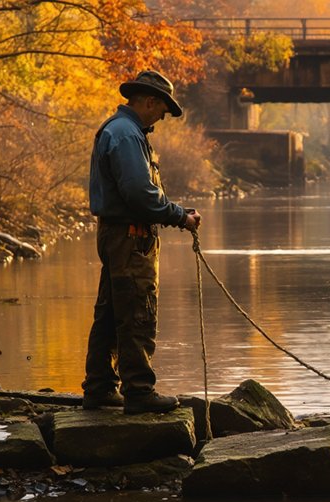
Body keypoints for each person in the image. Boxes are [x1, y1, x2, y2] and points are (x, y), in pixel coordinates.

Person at [81, 70, 202, 415]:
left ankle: (100, 387)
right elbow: (139, 194)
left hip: (118, 235)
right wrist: (180, 216)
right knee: (137, 311)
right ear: (149, 101)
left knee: (110, 312)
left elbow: (139, 194)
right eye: (162, 110)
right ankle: (139, 391)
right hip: (130, 239)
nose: (162, 118)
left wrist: (174, 212)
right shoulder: (127, 135)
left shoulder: (122, 130)